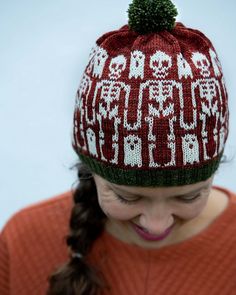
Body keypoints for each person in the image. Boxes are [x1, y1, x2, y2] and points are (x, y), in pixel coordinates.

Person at [0, 0, 235, 294]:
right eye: (126, 197)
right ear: (90, 166)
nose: (156, 225)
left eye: (188, 197)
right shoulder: (24, 241)